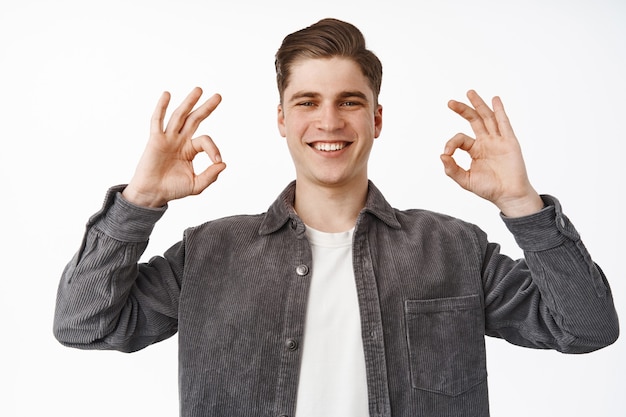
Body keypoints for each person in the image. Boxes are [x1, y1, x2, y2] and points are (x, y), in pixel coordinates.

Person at [53, 18, 619, 417]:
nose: (330, 121)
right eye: (307, 102)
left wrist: (522, 204)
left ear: (376, 118)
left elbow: (586, 327)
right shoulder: (209, 252)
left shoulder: (453, 247)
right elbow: (85, 324)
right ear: (281, 118)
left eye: (349, 101)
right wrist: (140, 201)